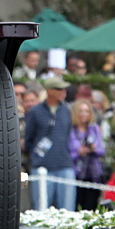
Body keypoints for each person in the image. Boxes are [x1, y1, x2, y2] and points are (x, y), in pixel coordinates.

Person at [24, 77, 75, 210]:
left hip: (65, 165)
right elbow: (28, 139)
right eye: (59, 89)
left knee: (67, 212)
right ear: (50, 91)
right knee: (41, 211)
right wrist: (37, 156)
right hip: (42, 167)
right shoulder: (35, 112)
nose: (64, 91)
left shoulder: (67, 110)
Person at [68, 98, 105, 210]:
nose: (84, 114)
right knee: (77, 205)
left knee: (91, 206)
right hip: (77, 174)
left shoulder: (94, 129)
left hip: (94, 174)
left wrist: (93, 149)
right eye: (81, 111)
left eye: (86, 111)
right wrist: (79, 152)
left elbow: (102, 151)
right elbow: (68, 154)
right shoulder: (71, 130)